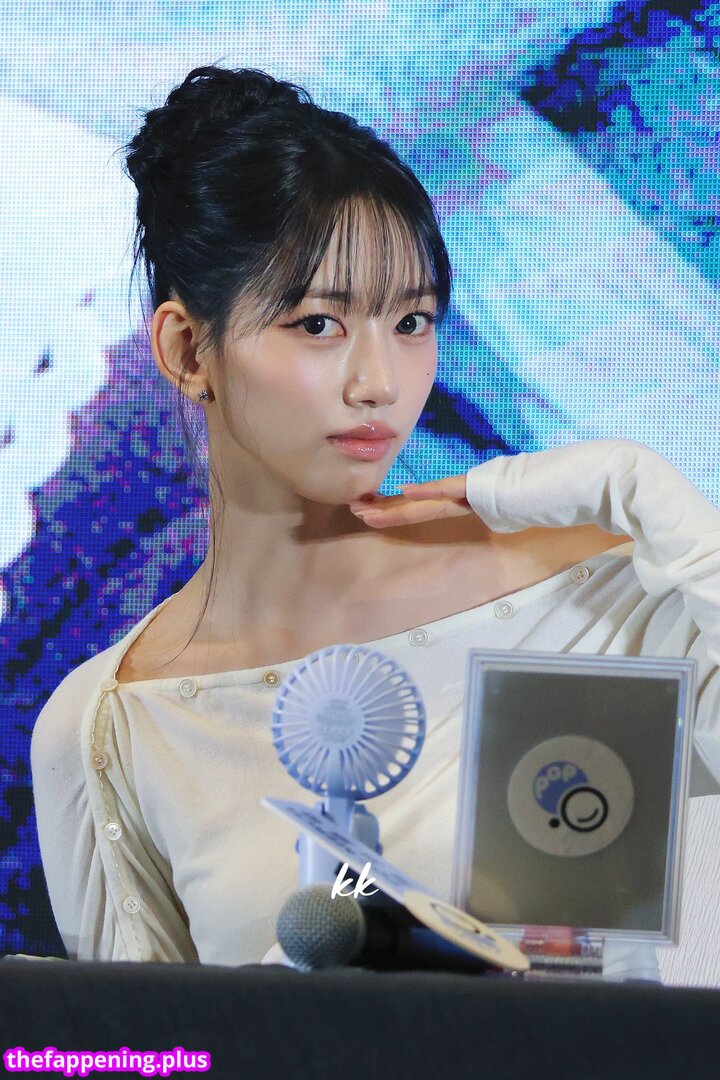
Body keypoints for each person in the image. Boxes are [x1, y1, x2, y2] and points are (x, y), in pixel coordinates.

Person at [31, 65, 720, 978]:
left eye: (411, 321)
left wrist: (659, 504)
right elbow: (139, 1043)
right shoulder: (111, 724)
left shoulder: (602, 591)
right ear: (188, 349)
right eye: (319, 324)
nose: (380, 383)